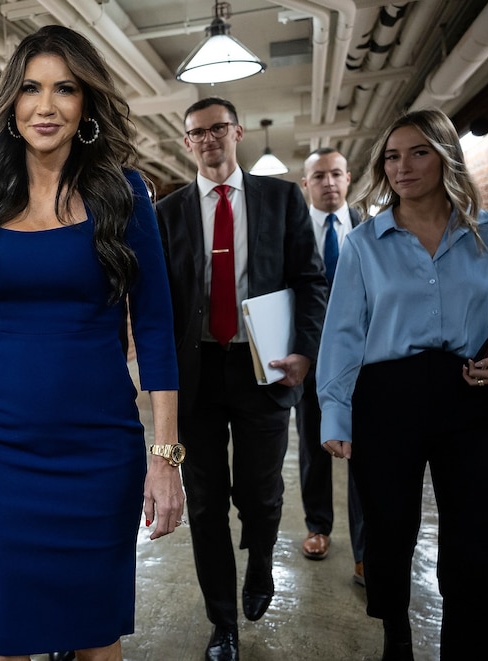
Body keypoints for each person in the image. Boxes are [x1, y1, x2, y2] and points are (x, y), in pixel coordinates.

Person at [0, 25, 184, 661]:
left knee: (96, 641)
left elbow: (156, 328)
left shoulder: (123, 194)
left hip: (99, 451)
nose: (46, 106)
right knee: (0, 640)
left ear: (86, 102)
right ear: (11, 103)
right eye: (31, 89)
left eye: (65, 89)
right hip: (9, 450)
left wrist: (165, 456)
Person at [318, 108, 488, 660]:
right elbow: (344, 334)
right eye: (392, 157)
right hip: (387, 399)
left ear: (446, 157)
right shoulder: (364, 244)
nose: (402, 167)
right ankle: (396, 635)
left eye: (419, 152)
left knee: (476, 546)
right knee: (389, 533)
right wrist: (336, 412)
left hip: (472, 396)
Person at [155, 97, 328, 661]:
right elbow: (159, 303)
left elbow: (311, 280)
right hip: (198, 374)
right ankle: (222, 623)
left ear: (238, 132)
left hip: (265, 367)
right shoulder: (168, 212)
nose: (208, 139)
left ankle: (261, 561)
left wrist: (304, 350)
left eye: (218, 129)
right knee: (206, 504)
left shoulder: (280, 199)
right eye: (197, 133)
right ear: (187, 142)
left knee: (260, 492)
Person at [295, 147, 366, 583]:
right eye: (319, 176)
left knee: (366, 451)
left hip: (364, 359)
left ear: (348, 177)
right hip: (312, 358)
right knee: (313, 447)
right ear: (306, 184)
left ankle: (366, 548)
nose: (329, 183)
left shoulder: (369, 226)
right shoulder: (294, 230)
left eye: (336, 174)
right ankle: (318, 526)